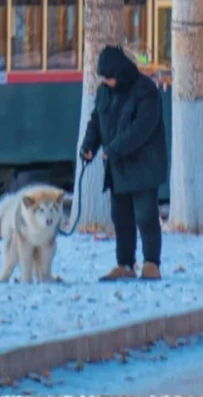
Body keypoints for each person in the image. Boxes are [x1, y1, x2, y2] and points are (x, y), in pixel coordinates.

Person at [81, 45, 169, 281]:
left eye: (109, 77)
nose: (106, 82)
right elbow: (96, 121)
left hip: (143, 166)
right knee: (121, 218)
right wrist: (89, 145)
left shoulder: (146, 91)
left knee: (146, 216)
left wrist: (114, 149)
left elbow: (141, 129)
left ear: (119, 73)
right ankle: (125, 264)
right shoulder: (104, 92)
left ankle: (152, 264)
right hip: (118, 166)